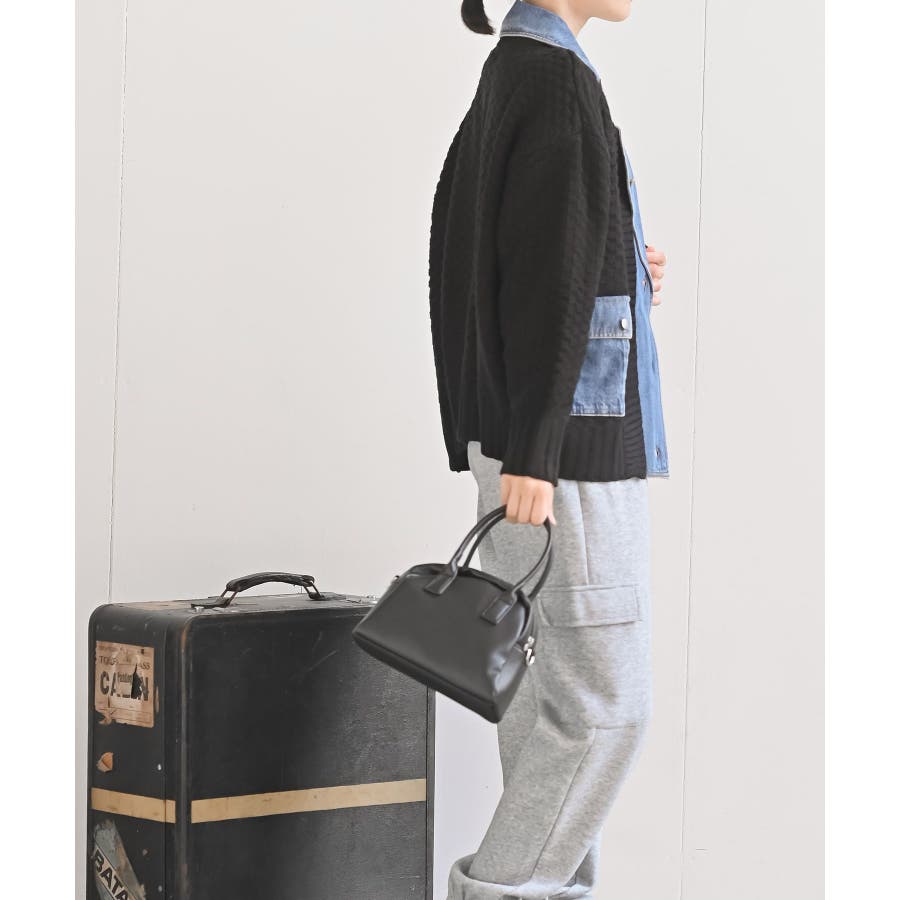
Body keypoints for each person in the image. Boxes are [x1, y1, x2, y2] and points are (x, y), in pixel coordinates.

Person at [428, 1, 670, 897]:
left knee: (544, 721)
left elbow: (481, 257)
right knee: (604, 712)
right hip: (564, 459)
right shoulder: (559, 84)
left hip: (523, 446)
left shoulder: (513, 71)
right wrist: (535, 449)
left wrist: (622, 266)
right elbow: (543, 283)